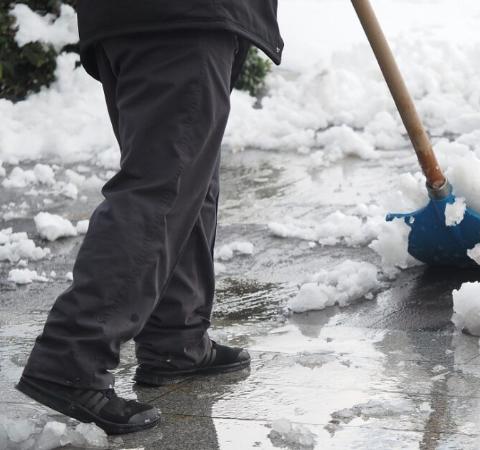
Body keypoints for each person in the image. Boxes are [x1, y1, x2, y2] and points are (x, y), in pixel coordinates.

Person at [15, 0, 283, 435]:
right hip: (181, 15)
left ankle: (176, 338)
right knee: (161, 188)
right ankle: (70, 359)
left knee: (186, 181)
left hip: (147, 17)